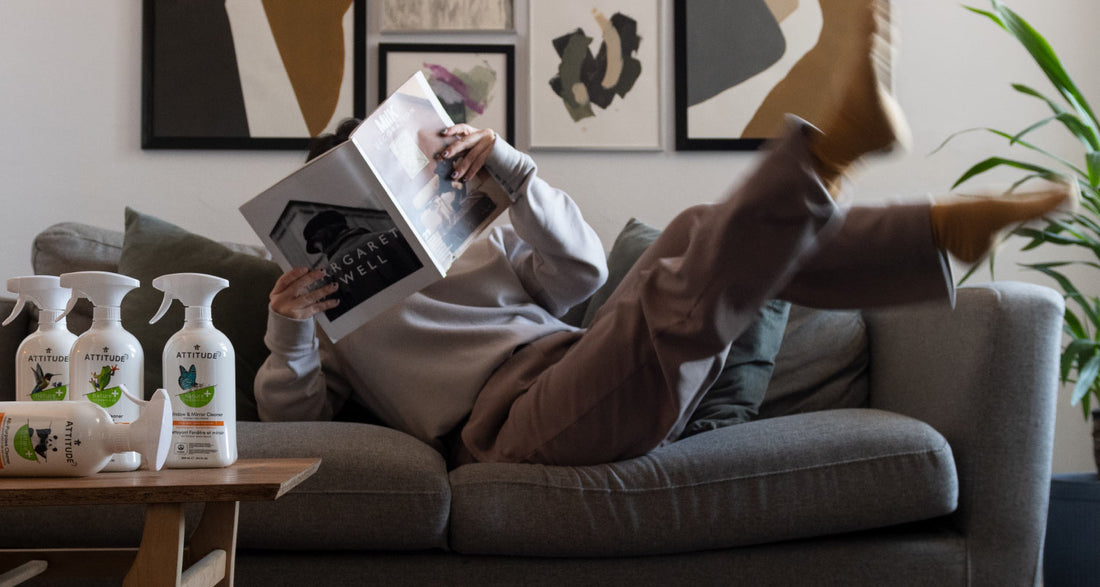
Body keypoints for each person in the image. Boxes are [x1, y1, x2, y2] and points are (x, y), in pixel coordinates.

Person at [255, 0, 1074, 466]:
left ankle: (914, 221)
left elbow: (578, 278)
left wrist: (511, 171)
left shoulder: (479, 230)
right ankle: (889, 210)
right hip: (509, 427)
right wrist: (290, 329)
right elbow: (297, 420)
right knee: (688, 270)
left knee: (688, 231)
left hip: (575, 360)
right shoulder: (328, 310)